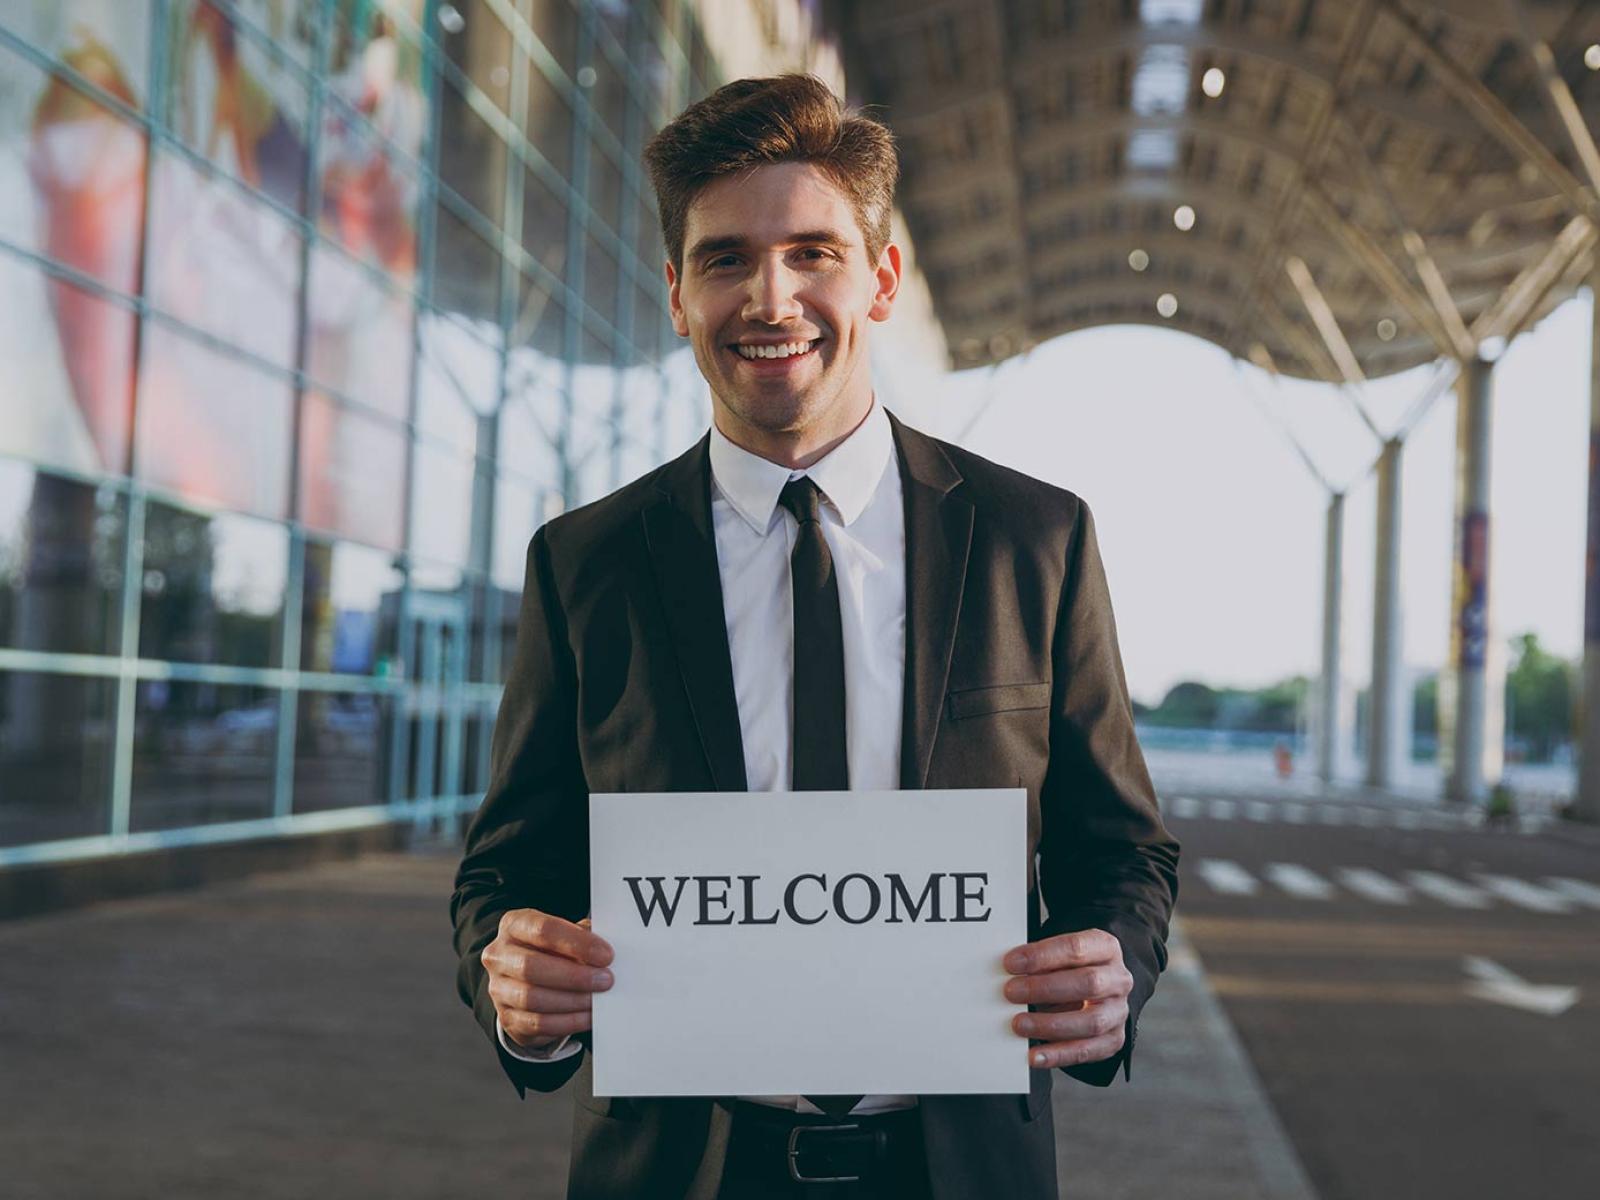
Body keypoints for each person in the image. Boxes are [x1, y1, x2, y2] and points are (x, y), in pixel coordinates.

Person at [451, 74, 1180, 1200]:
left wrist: (1110, 968)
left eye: (812, 253)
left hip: (958, 1170)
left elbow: (1120, 851)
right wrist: (516, 980)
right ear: (676, 290)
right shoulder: (585, 563)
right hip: (681, 1170)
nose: (769, 298)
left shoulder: (1032, 540)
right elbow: (507, 867)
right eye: (726, 258)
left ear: (880, 278)